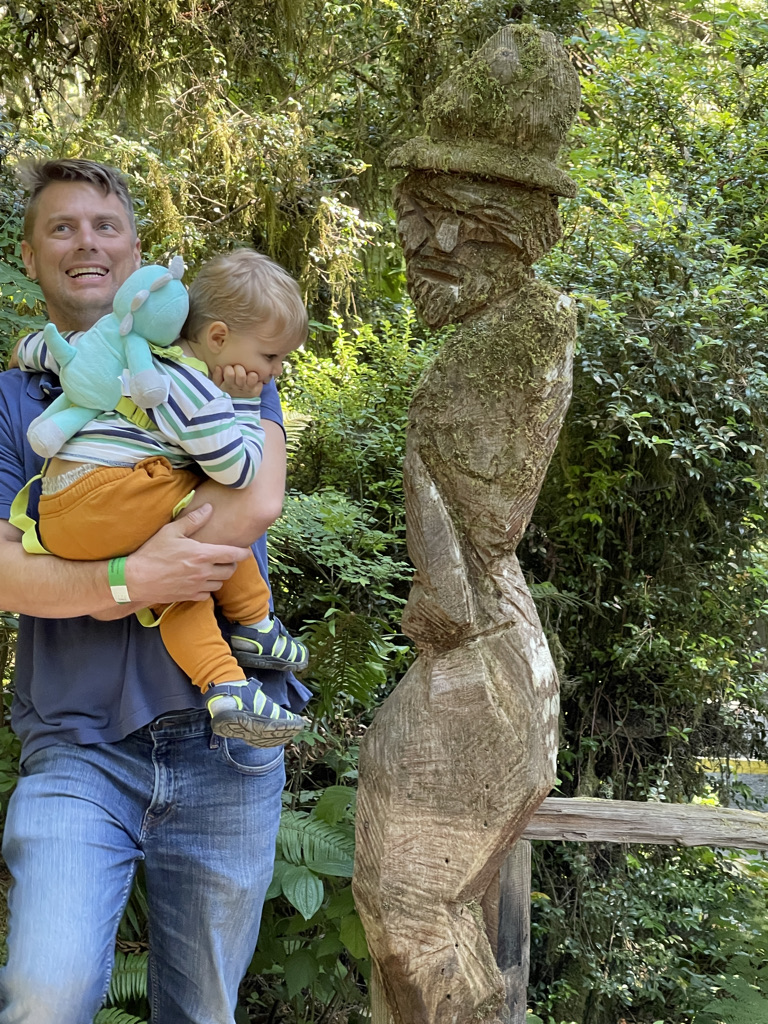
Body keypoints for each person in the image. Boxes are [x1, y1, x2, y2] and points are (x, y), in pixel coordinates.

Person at [0, 158, 311, 1023]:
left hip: (227, 753)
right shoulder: (11, 400)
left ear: (138, 254)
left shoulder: (223, 364)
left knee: (202, 1010)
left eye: (106, 226)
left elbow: (255, 500)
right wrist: (131, 579)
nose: (87, 243)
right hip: (77, 742)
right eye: (62, 227)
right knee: (46, 993)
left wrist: (83, 568)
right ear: (29, 255)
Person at [18, 248, 311, 747]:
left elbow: (51, 348)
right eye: (270, 356)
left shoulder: (121, 341)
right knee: (206, 521)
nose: (277, 371)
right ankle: (253, 624)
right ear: (217, 337)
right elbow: (240, 471)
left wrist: (20, 351)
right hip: (110, 497)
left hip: (58, 510)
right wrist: (243, 403)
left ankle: (226, 685)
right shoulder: (196, 392)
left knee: (176, 574)